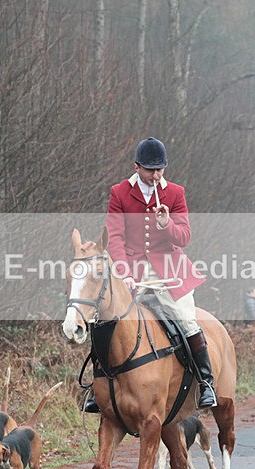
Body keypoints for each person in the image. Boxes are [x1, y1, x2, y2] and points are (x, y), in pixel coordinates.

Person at [86, 136, 215, 412]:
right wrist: (122, 271)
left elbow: (184, 238)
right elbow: (116, 237)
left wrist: (166, 223)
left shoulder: (175, 193)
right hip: (131, 270)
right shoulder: (119, 193)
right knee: (104, 318)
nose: (156, 175)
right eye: (150, 169)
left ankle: (206, 383)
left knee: (185, 320)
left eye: (160, 169)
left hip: (169, 270)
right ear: (137, 167)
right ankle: (97, 389)